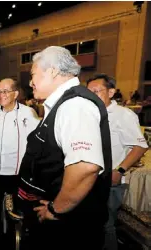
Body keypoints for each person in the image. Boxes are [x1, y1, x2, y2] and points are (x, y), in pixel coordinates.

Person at [16, 46, 112, 250]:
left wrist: (56, 209)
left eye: (33, 74)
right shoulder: (64, 104)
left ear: (51, 71)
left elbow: (85, 167)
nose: (30, 81)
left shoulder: (74, 106)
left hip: (68, 230)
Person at [87, 74, 148, 250]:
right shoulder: (90, 114)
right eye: (89, 92)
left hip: (109, 181)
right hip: (89, 179)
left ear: (111, 92)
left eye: (96, 91)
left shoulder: (123, 115)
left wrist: (119, 171)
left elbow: (140, 146)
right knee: (91, 225)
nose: (92, 95)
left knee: (106, 226)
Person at [0, 78, 39, 247]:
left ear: (16, 94)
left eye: (6, 91)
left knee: (16, 209)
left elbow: (35, 141)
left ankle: (16, 238)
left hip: (17, 172)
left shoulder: (28, 113)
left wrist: (31, 166)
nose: (1, 95)